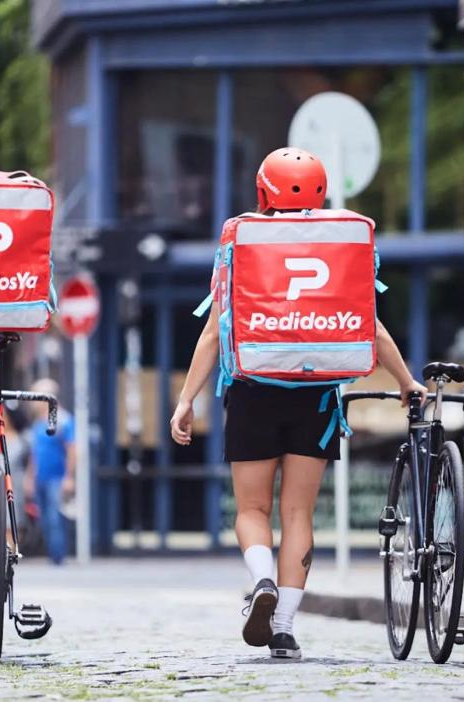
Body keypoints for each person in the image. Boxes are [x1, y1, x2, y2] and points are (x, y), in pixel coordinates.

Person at [169, 148, 427, 660]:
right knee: (298, 512)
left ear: (263, 192)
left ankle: (261, 580)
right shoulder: (340, 244)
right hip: (316, 397)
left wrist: (186, 399)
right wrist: (405, 380)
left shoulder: (242, 241)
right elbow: (369, 328)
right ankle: (284, 627)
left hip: (253, 391)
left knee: (252, 508)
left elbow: (214, 330)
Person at [24, 379, 75, 565]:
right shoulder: (38, 422)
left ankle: (58, 557)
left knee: (55, 517)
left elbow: (72, 449)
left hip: (57, 477)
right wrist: (30, 477)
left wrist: (69, 477)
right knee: (44, 517)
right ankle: (53, 554)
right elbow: (34, 453)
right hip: (41, 477)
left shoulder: (64, 420)